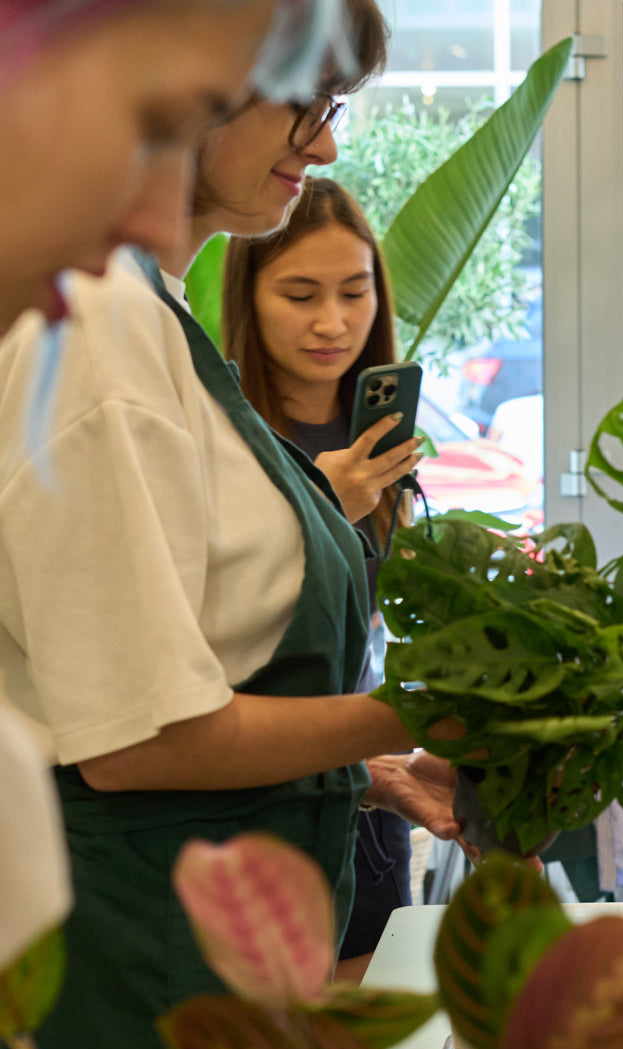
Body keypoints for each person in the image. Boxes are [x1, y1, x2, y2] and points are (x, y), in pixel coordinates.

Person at [0, 5, 620, 1049]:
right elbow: (132, 734)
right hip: (130, 975)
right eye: (159, 129)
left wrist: (374, 763)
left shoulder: (142, 313)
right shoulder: (96, 326)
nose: (156, 216)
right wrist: (410, 710)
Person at [222, 177, 421, 981]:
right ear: (251, 295)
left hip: (367, 793)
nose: (333, 322)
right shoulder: (223, 436)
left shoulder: (383, 438)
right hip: (248, 804)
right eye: (300, 294)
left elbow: (379, 624)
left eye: (354, 290)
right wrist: (318, 503)